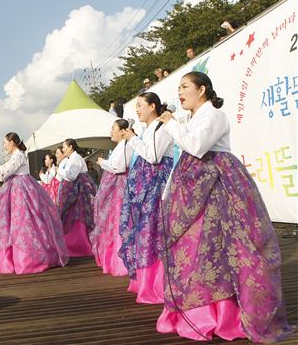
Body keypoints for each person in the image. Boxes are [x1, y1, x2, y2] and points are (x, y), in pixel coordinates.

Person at [155, 72, 291, 342]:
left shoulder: (215, 115)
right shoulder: (193, 118)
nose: (180, 92)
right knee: (197, 248)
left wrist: (171, 124)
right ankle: (202, 312)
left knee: (223, 246)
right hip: (194, 187)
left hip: (218, 185)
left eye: (185, 87)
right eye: (179, 87)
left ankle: (226, 313)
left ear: (202, 89)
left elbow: (197, 146)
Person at [119, 92, 174, 304]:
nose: (138, 110)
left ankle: (158, 285)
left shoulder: (162, 127)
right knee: (144, 230)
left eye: (140, 105)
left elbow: (154, 156)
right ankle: (146, 282)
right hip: (144, 186)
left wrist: (133, 139)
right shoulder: (149, 129)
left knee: (155, 230)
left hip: (157, 184)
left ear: (153, 106)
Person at [0, 132, 69, 274]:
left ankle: (28, 259)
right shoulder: (17, 155)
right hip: (19, 189)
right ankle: (21, 257)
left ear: (12, 142)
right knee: (20, 222)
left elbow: (2, 174)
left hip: (20, 191)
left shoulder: (18, 156)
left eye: (5, 143)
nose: (4, 146)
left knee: (23, 223)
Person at [90, 119, 133, 276]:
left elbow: (119, 167)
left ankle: (120, 262)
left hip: (120, 188)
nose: (111, 132)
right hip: (115, 187)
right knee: (113, 220)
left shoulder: (126, 146)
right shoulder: (120, 147)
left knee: (118, 220)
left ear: (123, 131)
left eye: (113, 128)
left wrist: (103, 163)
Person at [56, 138, 96, 257]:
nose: (63, 149)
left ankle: (80, 247)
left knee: (78, 217)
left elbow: (71, 176)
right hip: (74, 194)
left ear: (70, 147)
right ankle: (72, 246)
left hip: (79, 195)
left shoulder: (76, 159)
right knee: (71, 217)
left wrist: (59, 170)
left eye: (64, 147)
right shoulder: (71, 159)